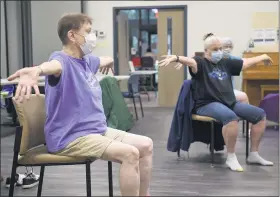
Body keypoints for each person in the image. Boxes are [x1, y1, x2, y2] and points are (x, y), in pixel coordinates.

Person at [8, 13, 153, 196]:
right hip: (70, 137)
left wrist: (109, 61)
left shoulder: (85, 61)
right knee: (130, 154)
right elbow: (52, 66)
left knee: (146, 145)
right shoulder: (61, 60)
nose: (92, 37)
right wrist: (37, 70)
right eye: (88, 32)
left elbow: (106, 59)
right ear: (72, 36)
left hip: (94, 130)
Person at [159, 34, 274, 172]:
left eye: (220, 48)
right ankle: (231, 157)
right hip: (207, 105)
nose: (219, 51)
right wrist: (177, 58)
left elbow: (245, 63)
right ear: (206, 51)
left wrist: (263, 56)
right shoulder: (201, 63)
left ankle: (254, 154)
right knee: (231, 118)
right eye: (215, 49)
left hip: (228, 102)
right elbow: (191, 62)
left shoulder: (225, 62)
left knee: (260, 115)